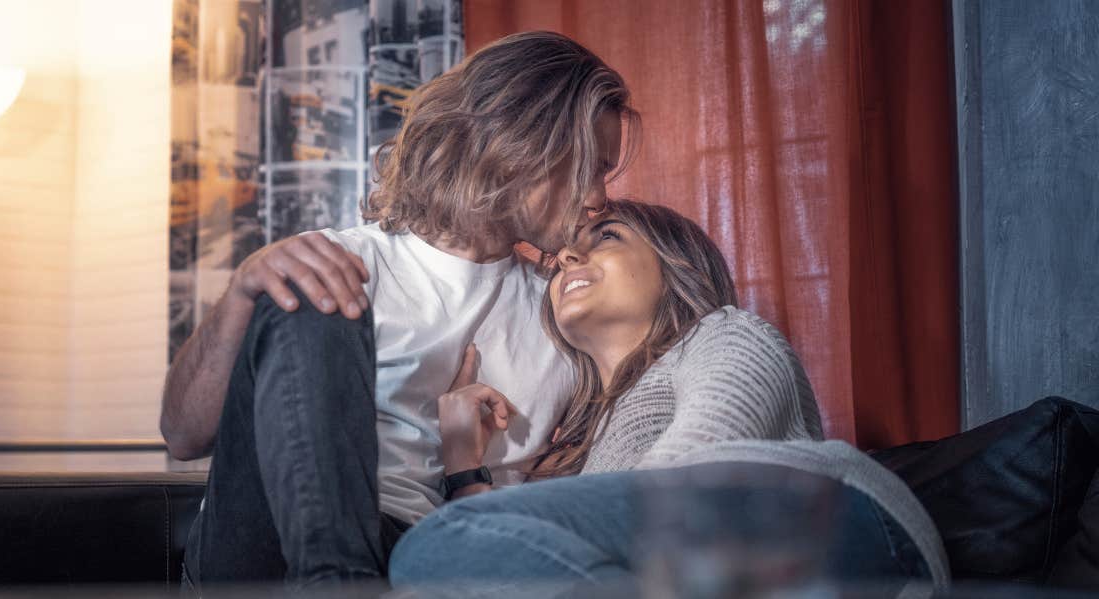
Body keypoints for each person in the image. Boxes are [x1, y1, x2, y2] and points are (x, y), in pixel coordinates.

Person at [162, 31, 640, 591]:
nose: (598, 197)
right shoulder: (347, 258)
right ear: (517, 144)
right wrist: (242, 292)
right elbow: (182, 435)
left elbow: (685, 367)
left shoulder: (566, 306)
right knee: (317, 282)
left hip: (428, 560)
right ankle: (338, 581)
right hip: (266, 556)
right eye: (589, 167)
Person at [389, 200, 950, 593]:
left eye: (604, 238)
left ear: (675, 262)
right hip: (731, 571)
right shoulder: (586, 445)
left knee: (437, 547)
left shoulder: (722, 332)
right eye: (561, 257)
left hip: (847, 523)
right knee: (439, 561)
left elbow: (714, 448)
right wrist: (464, 463)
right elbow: (497, 570)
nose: (567, 260)